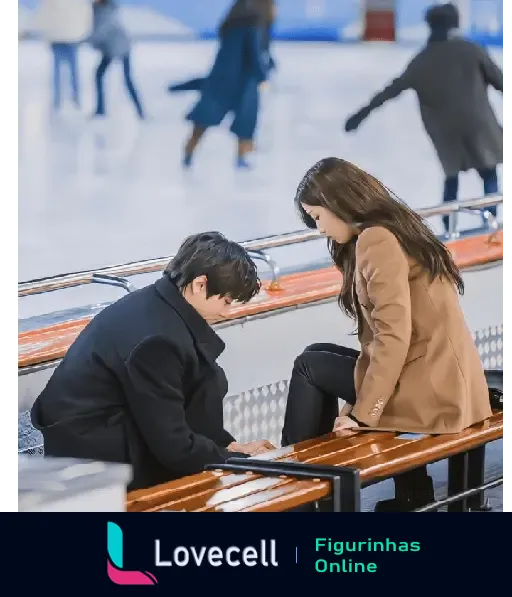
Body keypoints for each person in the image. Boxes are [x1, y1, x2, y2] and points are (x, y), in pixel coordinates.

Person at [281, 157, 493, 511]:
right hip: (444, 378)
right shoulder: (397, 226)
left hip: (431, 387)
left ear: (338, 202)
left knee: (310, 365)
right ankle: (331, 486)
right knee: (317, 352)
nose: (319, 229)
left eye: (317, 217)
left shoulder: (376, 239)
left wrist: (363, 415)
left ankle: (297, 493)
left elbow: (394, 337)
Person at [31, 232, 275, 491]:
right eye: (226, 301)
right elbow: (173, 447)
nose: (228, 313)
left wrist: (223, 447)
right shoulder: (157, 342)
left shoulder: (156, 305)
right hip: (94, 455)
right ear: (200, 284)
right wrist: (238, 460)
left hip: (96, 434)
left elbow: (169, 416)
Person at [344, 2, 504, 236]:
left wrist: (359, 116)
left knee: (451, 177)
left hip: (445, 131)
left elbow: (390, 91)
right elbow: (500, 81)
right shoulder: (472, 50)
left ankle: (450, 230)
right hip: (478, 124)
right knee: (488, 173)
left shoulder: (422, 60)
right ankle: (490, 224)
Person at [169, 0, 271, 169]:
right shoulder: (253, 24)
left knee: (204, 120)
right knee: (246, 120)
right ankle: (241, 157)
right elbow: (254, 54)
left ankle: (189, 152)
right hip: (243, 81)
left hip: (220, 77)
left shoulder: (230, 23)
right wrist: (262, 76)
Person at [89, 0, 145, 119]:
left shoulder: (105, 12)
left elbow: (98, 33)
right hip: (111, 47)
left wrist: (84, 40)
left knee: (127, 79)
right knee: (99, 75)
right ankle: (100, 110)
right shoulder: (98, 9)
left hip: (120, 47)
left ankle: (140, 111)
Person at [36, 0, 93, 111]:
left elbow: (43, 16)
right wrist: (83, 33)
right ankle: (75, 99)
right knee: (73, 71)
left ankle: (57, 101)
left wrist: (46, 33)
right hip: (72, 37)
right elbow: (86, 14)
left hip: (57, 37)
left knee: (57, 71)